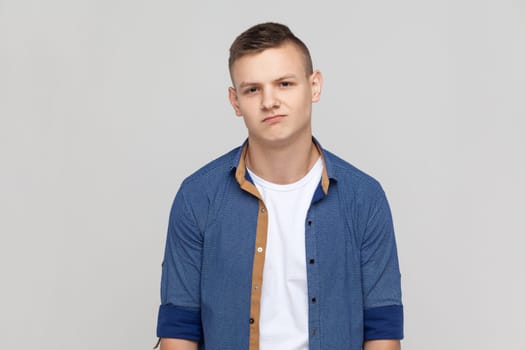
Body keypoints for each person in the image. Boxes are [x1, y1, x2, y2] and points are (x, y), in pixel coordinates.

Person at [155, 22, 403, 350]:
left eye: (284, 84)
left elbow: (382, 328)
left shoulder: (364, 198)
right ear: (235, 101)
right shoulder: (198, 197)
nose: (269, 101)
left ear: (314, 86)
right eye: (252, 89)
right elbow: (179, 328)